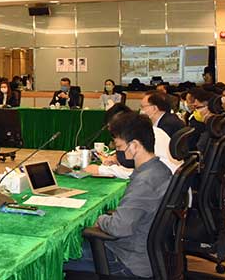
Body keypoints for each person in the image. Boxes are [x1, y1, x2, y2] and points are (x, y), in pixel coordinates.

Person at [65, 112, 172, 278]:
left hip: (126, 261)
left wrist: (100, 220)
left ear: (134, 146)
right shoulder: (161, 170)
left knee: (59, 257)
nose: (118, 153)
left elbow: (119, 228)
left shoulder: (144, 181)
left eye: (120, 147)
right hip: (144, 254)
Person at [87, 105, 180, 178]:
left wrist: (101, 170)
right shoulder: (150, 130)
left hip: (163, 182)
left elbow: (138, 172)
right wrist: (119, 160)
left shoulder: (144, 135)